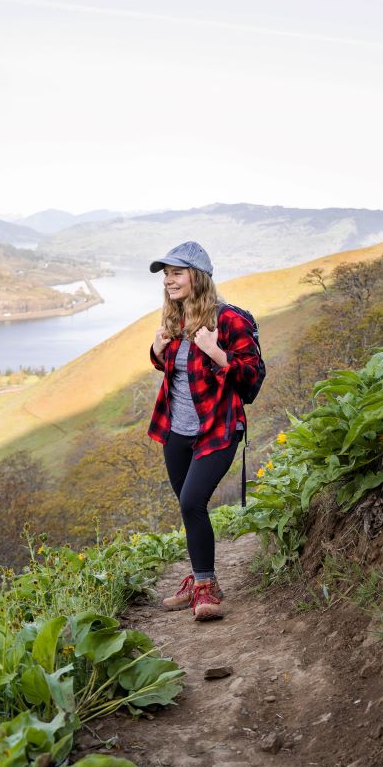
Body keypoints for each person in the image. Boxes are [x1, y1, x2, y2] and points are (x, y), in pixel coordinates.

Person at [147, 241, 260, 620]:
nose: (168, 281)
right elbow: (177, 373)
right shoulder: (175, 320)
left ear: (197, 276)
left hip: (217, 430)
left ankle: (207, 589)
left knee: (192, 502)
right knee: (189, 508)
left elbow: (252, 381)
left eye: (176, 273)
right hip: (176, 433)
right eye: (166, 274)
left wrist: (217, 353)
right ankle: (199, 578)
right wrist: (157, 352)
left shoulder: (230, 321)